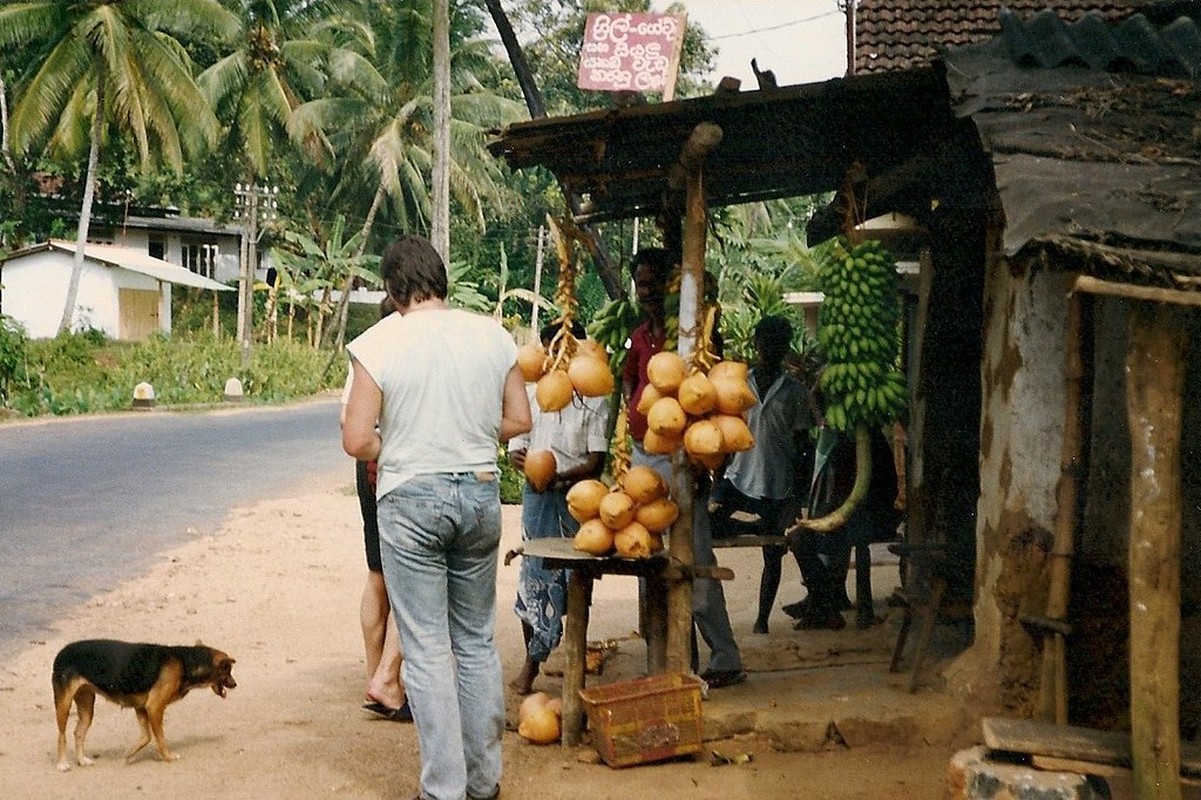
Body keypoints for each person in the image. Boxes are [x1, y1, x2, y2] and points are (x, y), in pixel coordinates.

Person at [342, 235, 532, 800]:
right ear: (440, 280)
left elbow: (357, 439)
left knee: (424, 647)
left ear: (394, 287)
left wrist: (404, 445)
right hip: (478, 494)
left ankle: (443, 789)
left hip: (410, 499)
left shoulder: (377, 343)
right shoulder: (493, 335)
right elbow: (519, 419)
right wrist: (465, 436)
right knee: (475, 641)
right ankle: (483, 782)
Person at [621, 247, 745, 689]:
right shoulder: (638, 336)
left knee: (694, 555)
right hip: (642, 453)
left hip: (682, 457)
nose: (646, 291)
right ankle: (675, 655)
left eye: (653, 282)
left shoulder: (690, 341)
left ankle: (725, 655)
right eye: (640, 283)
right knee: (649, 552)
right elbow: (629, 384)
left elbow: (714, 397)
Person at [507, 321, 611, 696]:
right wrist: (522, 460)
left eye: (563, 349)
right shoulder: (534, 395)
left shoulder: (594, 396)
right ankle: (531, 664)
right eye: (549, 349)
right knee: (533, 576)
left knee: (572, 580)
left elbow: (596, 461)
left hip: (577, 496)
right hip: (538, 496)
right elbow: (518, 442)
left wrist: (560, 476)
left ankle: (570, 658)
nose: (555, 358)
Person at [710, 315, 813, 634]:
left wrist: (797, 494)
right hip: (739, 477)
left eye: (776, 345)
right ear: (756, 345)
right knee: (710, 525)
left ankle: (762, 620)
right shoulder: (738, 386)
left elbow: (802, 444)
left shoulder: (794, 390)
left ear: (784, 348)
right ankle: (754, 528)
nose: (768, 350)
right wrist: (717, 484)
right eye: (764, 343)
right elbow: (726, 436)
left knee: (776, 552)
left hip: (776, 482)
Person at [341, 296, 410, 722]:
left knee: (378, 575)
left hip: (368, 463)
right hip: (396, 468)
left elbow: (347, 422)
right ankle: (386, 677)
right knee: (414, 576)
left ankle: (377, 676)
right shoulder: (400, 348)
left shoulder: (364, 351)